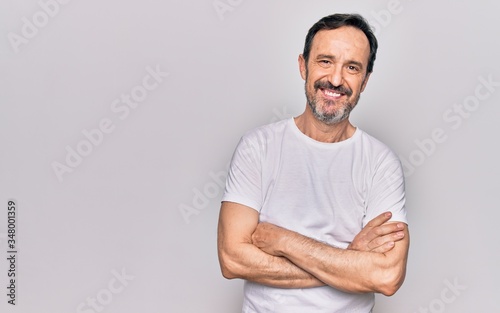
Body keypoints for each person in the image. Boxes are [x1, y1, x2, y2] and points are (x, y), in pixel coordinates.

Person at [217, 13, 409, 312]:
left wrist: (282, 241)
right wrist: (350, 260)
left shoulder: (381, 163)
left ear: (365, 80)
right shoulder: (258, 147)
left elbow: (386, 275)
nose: (335, 79)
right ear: (303, 65)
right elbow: (232, 259)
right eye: (325, 61)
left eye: (352, 67)